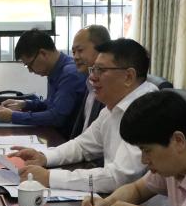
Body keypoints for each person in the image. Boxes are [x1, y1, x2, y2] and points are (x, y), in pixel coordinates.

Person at [9, 38, 156, 192]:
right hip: (115, 199)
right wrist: (44, 157)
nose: (92, 77)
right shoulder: (112, 107)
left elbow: (119, 177)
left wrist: (49, 177)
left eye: (101, 70)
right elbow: (82, 146)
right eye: (93, 69)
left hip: (138, 205)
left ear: (128, 77)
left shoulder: (148, 110)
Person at [0, 28, 87, 139]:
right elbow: (51, 104)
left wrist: (12, 116)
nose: (30, 70)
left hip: (65, 140)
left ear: (43, 53)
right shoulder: (55, 69)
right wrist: (24, 104)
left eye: (29, 65)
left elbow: (56, 117)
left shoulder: (70, 73)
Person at [69, 24, 111, 138]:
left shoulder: (111, 87)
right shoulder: (90, 81)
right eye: (73, 52)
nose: (75, 57)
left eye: (80, 50)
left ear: (102, 49)